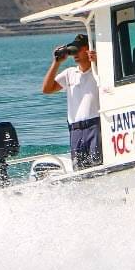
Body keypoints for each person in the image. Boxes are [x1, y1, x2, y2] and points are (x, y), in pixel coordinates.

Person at [41, 33, 102, 168]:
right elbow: (46, 89)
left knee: (97, 165)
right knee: (79, 170)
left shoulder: (99, 71)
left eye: (78, 49)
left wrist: (98, 61)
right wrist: (56, 63)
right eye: (73, 50)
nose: (75, 54)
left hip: (94, 125)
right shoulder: (69, 73)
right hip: (75, 129)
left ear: (88, 49)